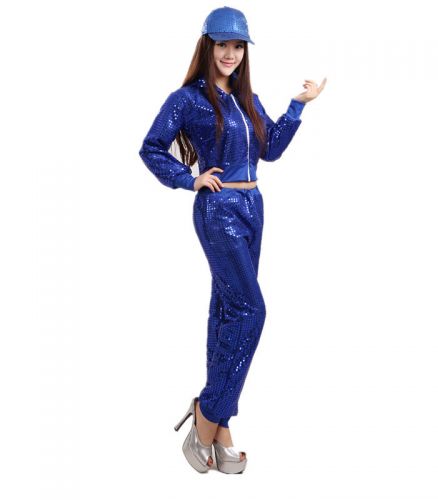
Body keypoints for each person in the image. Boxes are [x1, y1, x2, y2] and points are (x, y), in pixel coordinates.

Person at [139, 6, 326, 474]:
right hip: (218, 209)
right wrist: (190, 179)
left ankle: (220, 430)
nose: (230, 53)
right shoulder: (187, 99)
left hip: (253, 206)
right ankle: (207, 413)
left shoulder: (247, 99)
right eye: (222, 44)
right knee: (251, 311)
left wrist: (299, 105)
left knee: (227, 310)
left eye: (237, 45)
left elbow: (272, 149)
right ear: (208, 46)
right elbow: (151, 147)